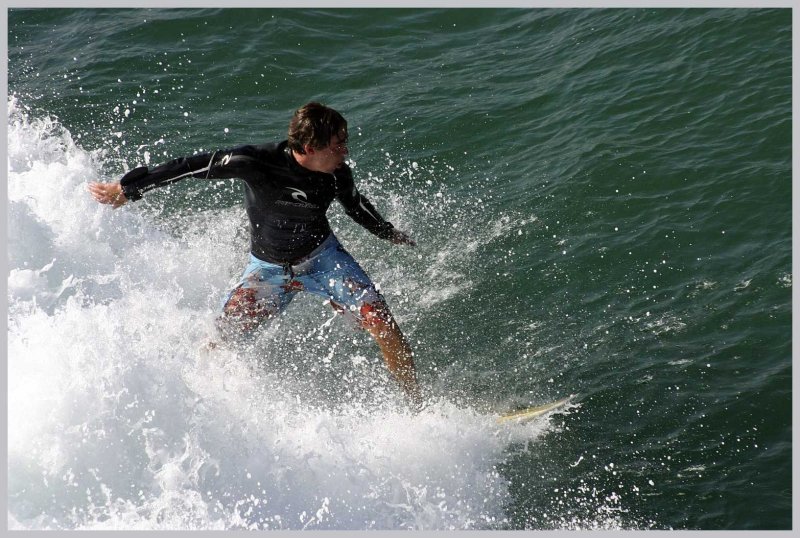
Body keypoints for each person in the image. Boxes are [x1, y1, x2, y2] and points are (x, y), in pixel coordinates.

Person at [88, 102, 422, 409]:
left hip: (324, 260)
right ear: (308, 148)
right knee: (219, 342)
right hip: (269, 272)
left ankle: (415, 407)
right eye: (337, 145)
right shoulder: (257, 162)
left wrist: (387, 232)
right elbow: (190, 166)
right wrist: (129, 188)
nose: (345, 151)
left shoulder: (337, 174)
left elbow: (356, 206)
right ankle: (199, 402)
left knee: (384, 326)